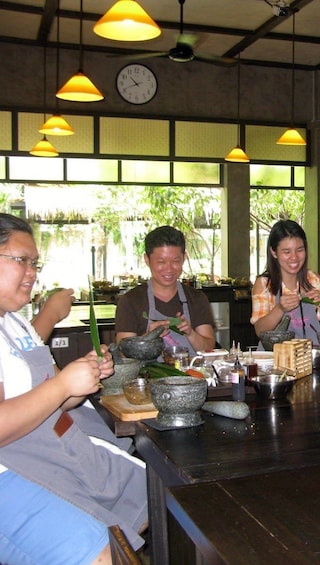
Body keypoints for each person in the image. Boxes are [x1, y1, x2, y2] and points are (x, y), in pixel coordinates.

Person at [0, 213, 148, 564]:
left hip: (52, 449)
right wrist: (65, 383)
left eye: (35, 262)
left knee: (152, 496)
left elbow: (60, 400)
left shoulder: (16, 321)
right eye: (21, 260)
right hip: (12, 471)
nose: (32, 272)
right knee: (102, 552)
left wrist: (83, 378)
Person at [115, 226, 216, 356]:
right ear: (147, 260)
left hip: (192, 374)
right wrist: (148, 338)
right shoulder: (130, 301)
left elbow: (208, 348)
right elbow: (123, 354)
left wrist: (191, 333)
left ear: (184, 258)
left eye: (175, 261)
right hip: (146, 375)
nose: (169, 269)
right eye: (161, 262)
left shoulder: (196, 298)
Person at [252, 220, 320, 346]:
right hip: (275, 358)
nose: (294, 257)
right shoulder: (264, 284)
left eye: (299, 250)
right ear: (273, 252)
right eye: (287, 252)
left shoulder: (312, 279)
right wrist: (280, 309)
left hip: (309, 355)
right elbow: (260, 330)